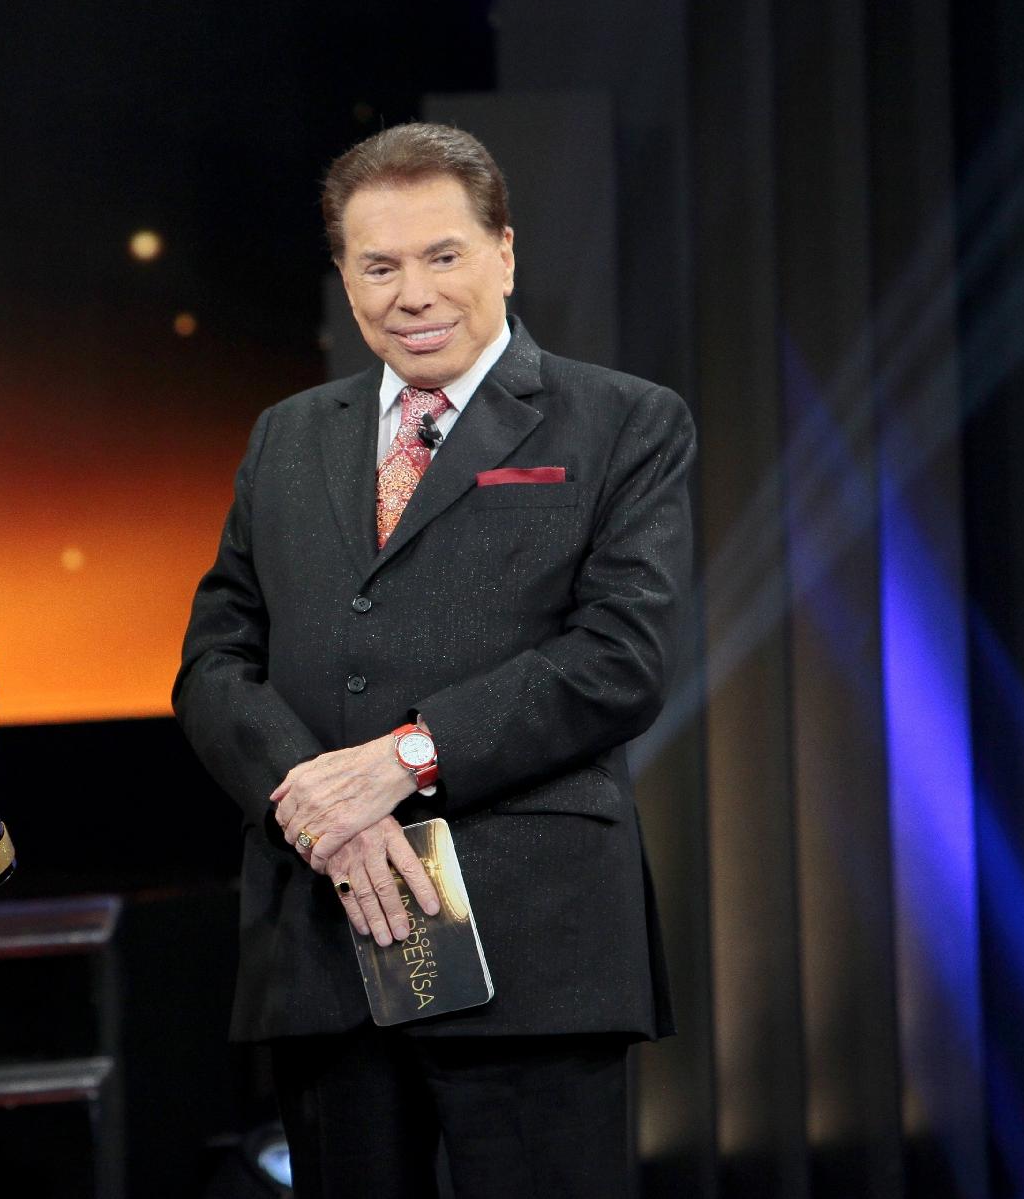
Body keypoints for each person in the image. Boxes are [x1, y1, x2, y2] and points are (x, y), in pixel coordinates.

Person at [173, 122, 693, 1198]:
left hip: (532, 949)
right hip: (325, 939)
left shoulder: (622, 422)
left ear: (505, 251)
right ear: (346, 279)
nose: (412, 292)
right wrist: (318, 799)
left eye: (443, 255)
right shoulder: (287, 436)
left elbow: (621, 656)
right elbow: (217, 660)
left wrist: (403, 759)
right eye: (380, 265)